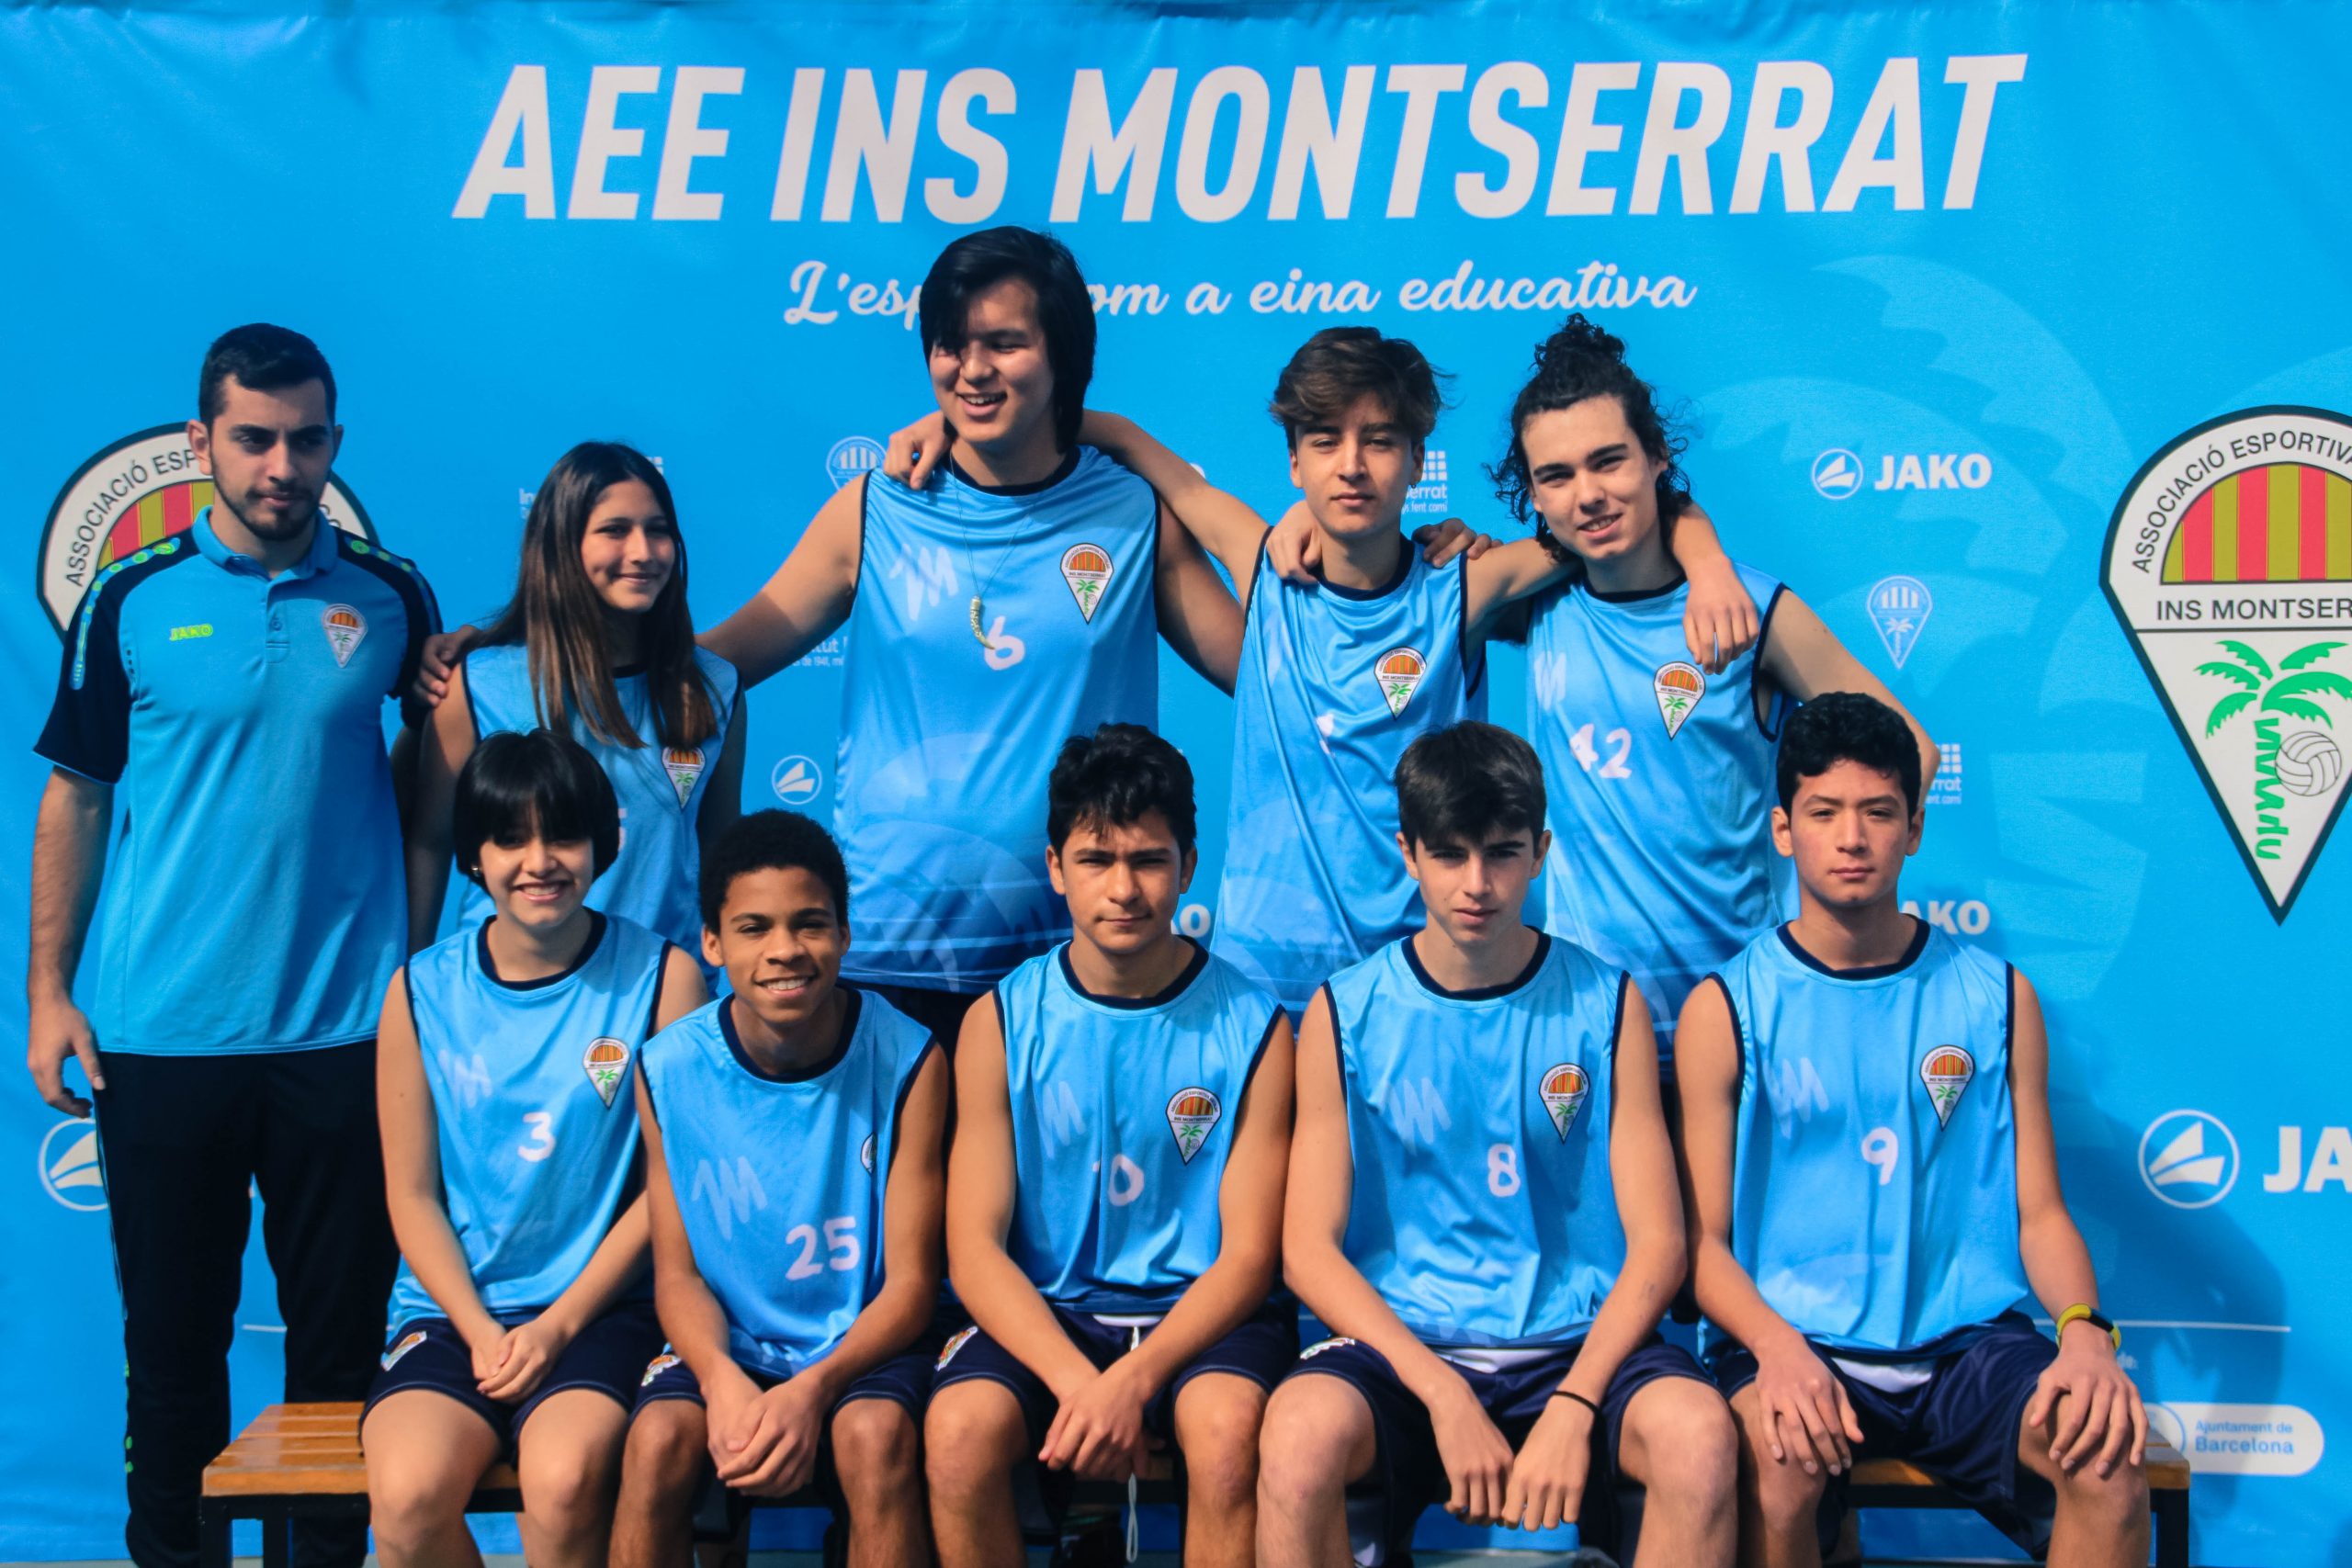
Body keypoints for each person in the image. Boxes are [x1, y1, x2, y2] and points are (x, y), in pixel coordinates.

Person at [27, 323, 439, 1568]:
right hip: (162, 1040)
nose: (281, 466)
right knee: (171, 1357)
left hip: (347, 1039)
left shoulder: (393, 595)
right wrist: (48, 991)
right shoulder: (130, 597)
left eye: (305, 441)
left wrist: (418, 977)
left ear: (335, 442)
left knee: (337, 1362)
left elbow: (433, 788)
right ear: (200, 441)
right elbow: (78, 796)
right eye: (253, 439)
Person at [1020, 327, 1758, 1021]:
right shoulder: (1263, 564)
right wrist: (984, 421)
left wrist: (1710, 562)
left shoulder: (1467, 586)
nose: (1352, 465)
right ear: (1294, 463)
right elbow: (1144, 455)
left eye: (1379, 441)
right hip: (1264, 991)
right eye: (1325, 441)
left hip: (1419, 991)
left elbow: (1617, 516)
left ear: (1418, 461)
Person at [1678, 692, 2147, 1567]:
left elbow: (2041, 1213)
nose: (1852, 837)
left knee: (2108, 1467)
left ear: (1915, 828)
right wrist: (1776, 1348)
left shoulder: (1998, 997)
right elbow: (1700, 1244)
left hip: (1966, 1349)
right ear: (1783, 830)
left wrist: (2085, 1330)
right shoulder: (1725, 1008)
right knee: (1777, 1467)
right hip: (1797, 1340)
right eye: (1824, 812)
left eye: (1879, 811)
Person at [1260, 722, 1736, 1568]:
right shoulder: (1343, 1012)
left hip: (1576, 1345)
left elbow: (1661, 1243)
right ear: (1408, 853)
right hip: (1406, 1351)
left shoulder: (1607, 1002)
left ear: (1540, 851)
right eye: (1450, 855)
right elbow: (1307, 1250)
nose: (1477, 884)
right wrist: (1440, 1390)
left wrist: (1577, 1401)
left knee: (1698, 1439)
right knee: (1296, 1438)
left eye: (1503, 853)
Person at [1491, 315, 1936, 1079]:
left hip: (1744, 1026)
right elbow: (1384, 576)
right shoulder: (1535, 602)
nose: (1588, 495)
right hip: (1595, 1027)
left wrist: (1833, 914)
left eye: (1609, 461)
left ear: (1657, 457)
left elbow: (1914, 750)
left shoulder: (1750, 609)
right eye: (1556, 476)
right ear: (1532, 491)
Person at [927, 724, 1294, 1568]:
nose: (1123, 889)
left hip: (1199, 1317)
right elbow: (974, 1250)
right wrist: (1080, 1383)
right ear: (1056, 867)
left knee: (1227, 1431)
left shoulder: (1257, 1027)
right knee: (957, 1434)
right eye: (1096, 860)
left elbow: (1248, 1257)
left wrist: (1134, 1377)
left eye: (1149, 860)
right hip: (1052, 1314)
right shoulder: (998, 1022)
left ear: (1189, 866)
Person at [364, 729, 706, 1568]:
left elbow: (668, 1194)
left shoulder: (666, 978)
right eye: (510, 838)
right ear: (474, 856)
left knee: (563, 1480)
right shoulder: (418, 991)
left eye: (563, 835)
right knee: (406, 1501)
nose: (539, 861)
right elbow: (411, 1195)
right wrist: (480, 1329)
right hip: (454, 1314)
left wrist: (556, 1327)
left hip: (599, 1311)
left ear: (602, 843)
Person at [612, 810, 950, 1568]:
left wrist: (813, 1388)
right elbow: (678, 1274)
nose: (785, 949)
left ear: (845, 933)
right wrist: (719, 1377)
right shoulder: (667, 1068)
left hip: (860, 1346)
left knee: (874, 1436)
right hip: (730, 1346)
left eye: (810, 923)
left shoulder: (910, 1058)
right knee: (657, 1439)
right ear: (712, 942)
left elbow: (911, 1285)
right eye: (754, 927)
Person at [406, 441, 743, 958]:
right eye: (615, 530)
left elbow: (722, 856)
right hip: (509, 994)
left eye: (658, 530)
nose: (643, 552)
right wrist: (411, 979)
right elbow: (430, 843)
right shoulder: (477, 685)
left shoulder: (715, 688)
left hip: (665, 993)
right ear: (562, 543)